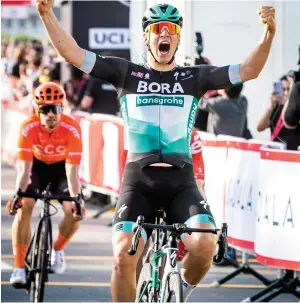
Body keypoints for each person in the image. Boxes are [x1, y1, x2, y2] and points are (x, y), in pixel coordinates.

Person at [36, 0, 275, 301]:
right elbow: (71, 53)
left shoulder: (194, 77)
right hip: (139, 182)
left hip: (181, 184)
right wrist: (46, 15)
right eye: (158, 29)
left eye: (171, 29)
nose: (165, 34)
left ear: (177, 38)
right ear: (146, 36)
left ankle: (180, 290)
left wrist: (268, 34)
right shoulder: (125, 73)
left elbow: (249, 70)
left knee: (205, 246)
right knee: (124, 255)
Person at [6, 82, 85, 286]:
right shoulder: (28, 127)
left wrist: (77, 199)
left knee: (73, 213)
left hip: (61, 170)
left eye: (56, 109)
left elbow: (72, 171)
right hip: (36, 167)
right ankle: (19, 267)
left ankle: (57, 249)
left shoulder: (72, 128)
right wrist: (18, 194)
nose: (51, 114)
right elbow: (24, 169)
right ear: (37, 109)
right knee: (26, 207)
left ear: (62, 108)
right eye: (45, 109)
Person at [257, 75, 300, 150]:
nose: (286, 93)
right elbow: (259, 128)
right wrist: (271, 107)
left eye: (289, 89)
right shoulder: (276, 108)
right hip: (275, 152)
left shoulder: (296, 110)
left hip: (292, 154)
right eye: (283, 90)